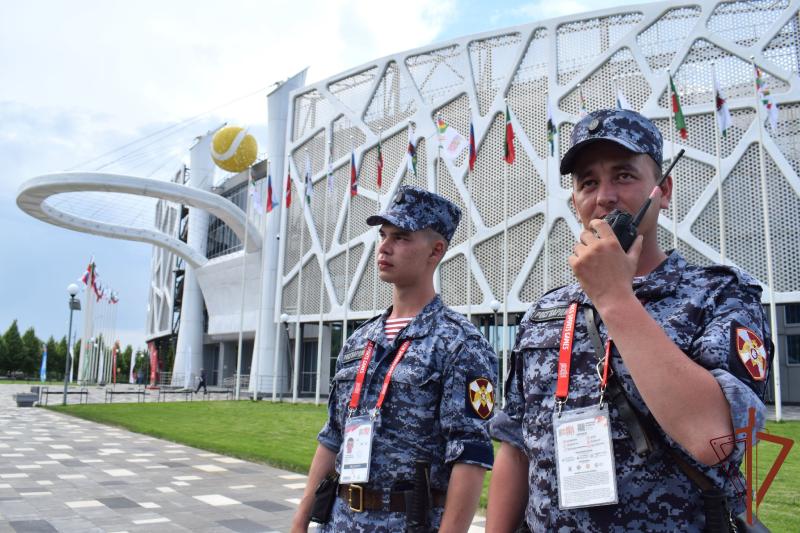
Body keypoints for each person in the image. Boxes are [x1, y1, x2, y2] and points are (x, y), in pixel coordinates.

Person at [486, 109, 772, 532]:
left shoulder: (719, 295)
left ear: (664, 190)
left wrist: (615, 297)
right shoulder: (543, 314)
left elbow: (716, 438)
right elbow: (515, 448)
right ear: (575, 202)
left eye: (623, 176)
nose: (605, 196)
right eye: (588, 183)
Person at [292, 186, 498, 533]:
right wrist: (300, 522)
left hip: (409, 523)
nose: (384, 247)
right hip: (340, 521)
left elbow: (470, 457)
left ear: (436, 250)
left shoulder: (461, 344)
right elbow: (333, 437)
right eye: (383, 235)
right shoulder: (360, 340)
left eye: (401, 237)